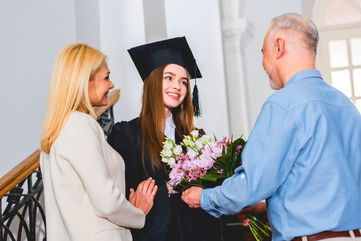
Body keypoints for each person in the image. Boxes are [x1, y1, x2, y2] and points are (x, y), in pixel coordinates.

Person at [181, 13, 361, 241]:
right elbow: (324, 188)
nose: (263, 63)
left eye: (262, 52)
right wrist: (264, 208)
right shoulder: (346, 105)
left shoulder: (284, 104)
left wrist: (205, 197)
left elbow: (253, 182)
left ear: (278, 46)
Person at [40, 43, 157, 241]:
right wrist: (138, 212)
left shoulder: (57, 130)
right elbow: (107, 201)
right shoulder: (79, 124)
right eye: (106, 77)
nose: (111, 85)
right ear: (83, 82)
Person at [107, 37, 221, 241]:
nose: (177, 86)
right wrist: (169, 188)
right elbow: (127, 194)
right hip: (156, 234)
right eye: (169, 78)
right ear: (153, 81)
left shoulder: (196, 138)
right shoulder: (126, 135)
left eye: (183, 81)